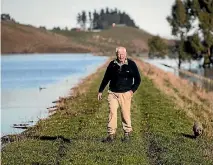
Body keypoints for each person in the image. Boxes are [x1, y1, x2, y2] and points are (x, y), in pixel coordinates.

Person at [98, 46, 141, 142]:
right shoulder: (112, 65)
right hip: (112, 93)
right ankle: (111, 135)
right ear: (116, 54)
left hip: (125, 94)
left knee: (125, 114)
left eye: (123, 54)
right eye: (119, 54)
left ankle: (127, 134)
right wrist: (100, 91)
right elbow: (106, 78)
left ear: (126, 54)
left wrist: (132, 91)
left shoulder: (131, 64)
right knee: (112, 113)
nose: (121, 56)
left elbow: (138, 79)